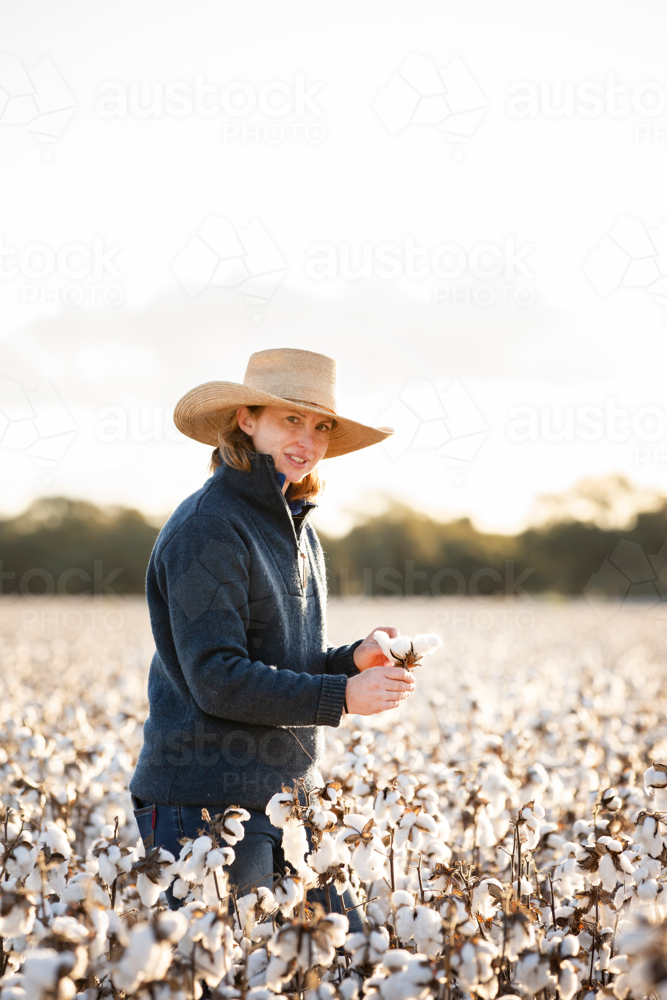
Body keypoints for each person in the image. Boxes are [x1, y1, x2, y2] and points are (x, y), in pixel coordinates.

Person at [128, 347, 415, 929]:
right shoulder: (208, 526)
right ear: (246, 419)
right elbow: (218, 679)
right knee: (229, 975)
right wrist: (341, 698)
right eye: (291, 419)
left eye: (322, 425)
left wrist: (350, 662)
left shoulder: (295, 525)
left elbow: (285, 663)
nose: (307, 439)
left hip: (288, 799)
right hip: (205, 801)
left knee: (345, 966)